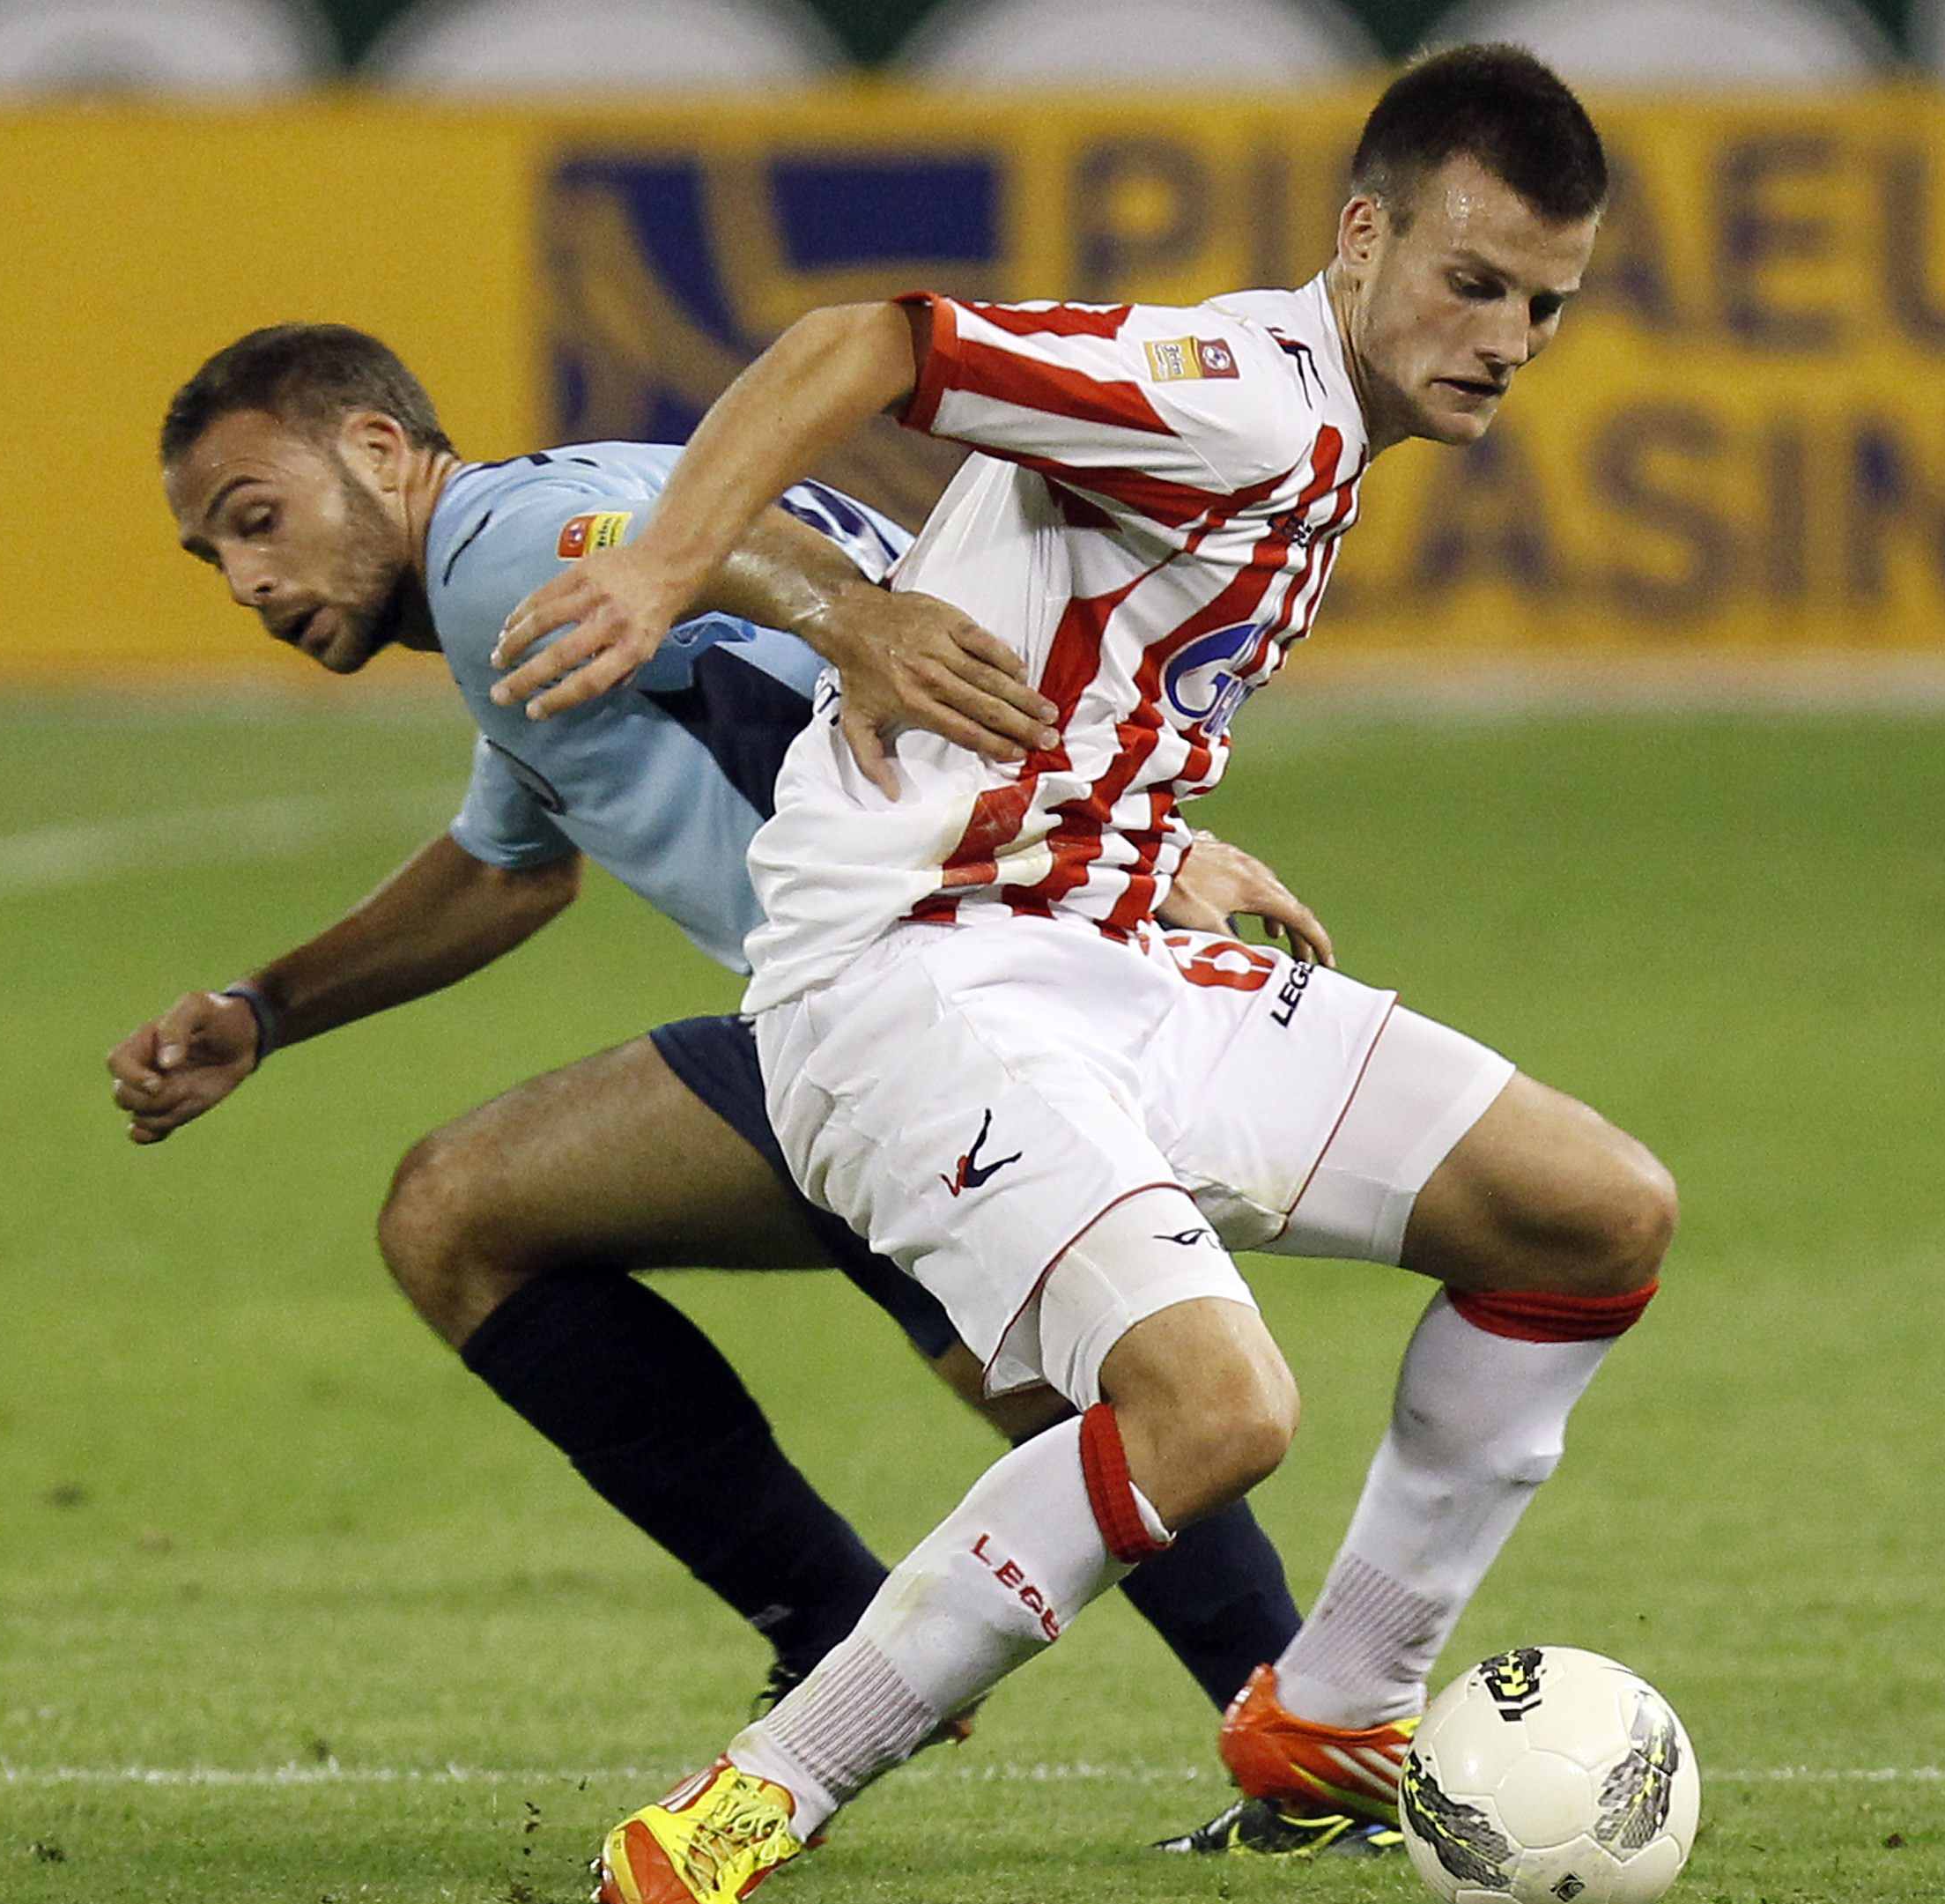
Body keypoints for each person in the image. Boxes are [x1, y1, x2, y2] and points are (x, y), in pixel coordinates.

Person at [484, 45, 1682, 1904]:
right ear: (1361, 241)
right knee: (1220, 1409)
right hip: (909, 984)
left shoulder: (1327, 439)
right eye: (1473, 280)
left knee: (1592, 1216)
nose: (1509, 335)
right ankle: (752, 1798)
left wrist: (1144, 831)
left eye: (1547, 304)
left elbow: (1081, 642)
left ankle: (1337, 1709)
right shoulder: (1237, 397)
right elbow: (868, 343)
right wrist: (669, 564)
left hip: (1102, 955)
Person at [111, 324, 1338, 1792]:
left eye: (258, 520)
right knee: (1083, 1398)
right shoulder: (531, 598)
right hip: (953, 985)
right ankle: (1318, 1754)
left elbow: (691, 547)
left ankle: (830, 1617)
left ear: (379, 453)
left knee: (451, 1214)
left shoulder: (505, 543)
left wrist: (856, 622)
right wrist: (265, 1007)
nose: (248, 580)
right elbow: (512, 867)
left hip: (898, 992)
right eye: (214, 556)